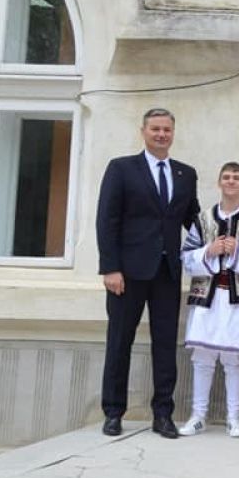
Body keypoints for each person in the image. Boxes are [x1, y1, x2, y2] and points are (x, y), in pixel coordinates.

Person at [96, 107, 200, 439]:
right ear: (143, 131)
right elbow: (107, 220)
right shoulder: (122, 168)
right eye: (155, 129)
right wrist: (110, 267)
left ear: (173, 133)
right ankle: (114, 412)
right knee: (119, 342)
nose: (161, 135)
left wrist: (226, 231)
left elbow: (195, 221)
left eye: (166, 129)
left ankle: (163, 414)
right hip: (127, 274)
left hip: (167, 273)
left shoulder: (185, 174)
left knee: (165, 344)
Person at [178, 162, 239, 438]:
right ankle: (198, 416)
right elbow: (185, 257)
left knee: (233, 358)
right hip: (206, 297)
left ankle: (234, 417)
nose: (231, 181)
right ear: (219, 182)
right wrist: (209, 250)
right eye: (227, 177)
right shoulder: (203, 219)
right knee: (202, 357)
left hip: (238, 300)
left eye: (237, 177)